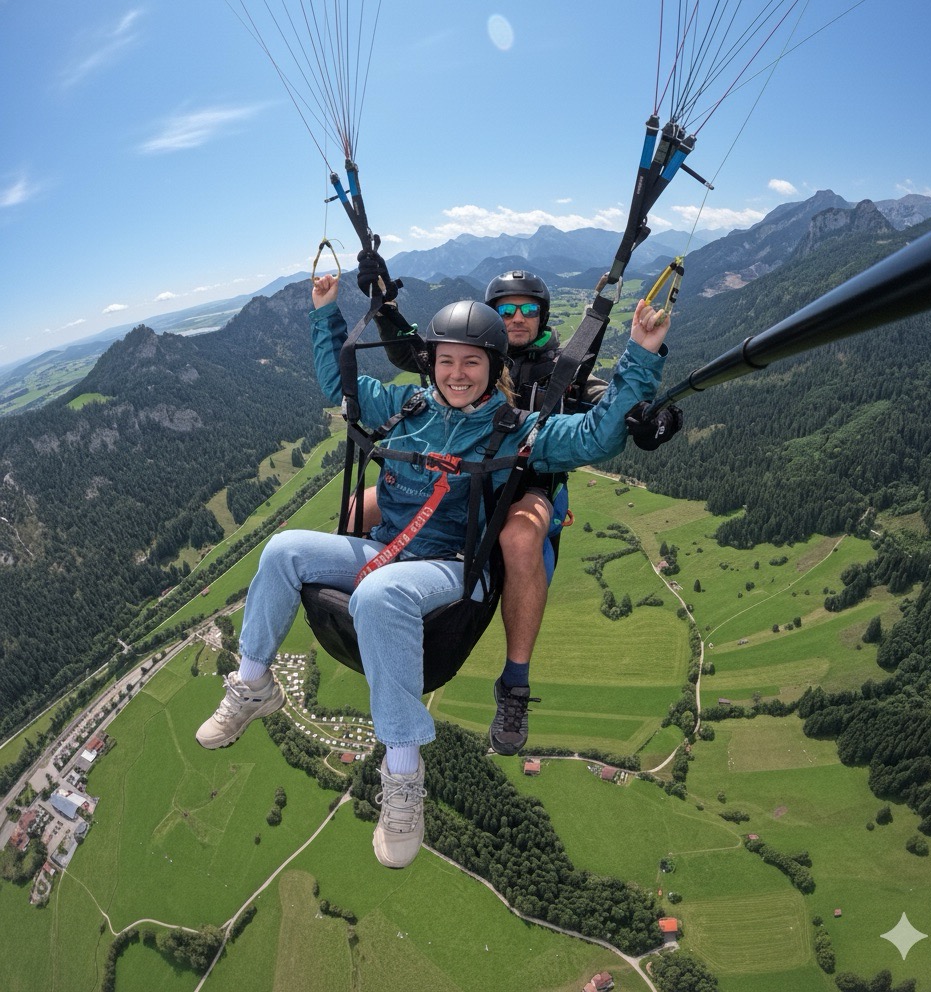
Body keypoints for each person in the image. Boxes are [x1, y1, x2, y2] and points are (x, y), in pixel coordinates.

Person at [196, 273, 670, 870]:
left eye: (472, 363)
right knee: (283, 550)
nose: (457, 374)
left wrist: (642, 356)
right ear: (432, 365)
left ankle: (401, 771)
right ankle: (252, 682)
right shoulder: (409, 406)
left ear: (494, 367)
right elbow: (336, 382)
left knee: (381, 596)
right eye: (447, 361)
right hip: (389, 549)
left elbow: (597, 436)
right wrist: (324, 312)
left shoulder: (519, 431)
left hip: (450, 567)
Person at [361, 260, 662, 756]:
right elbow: (413, 353)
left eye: (528, 310)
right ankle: (379, 596)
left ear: (542, 318)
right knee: (360, 505)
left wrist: (645, 416)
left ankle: (515, 683)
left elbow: (601, 405)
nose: (518, 317)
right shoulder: (474, 357)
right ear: (491, 317)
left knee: (518, 537)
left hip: (531, 487)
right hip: (466, 482)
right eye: (507, 309)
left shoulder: (563, 369)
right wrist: (383, 307)